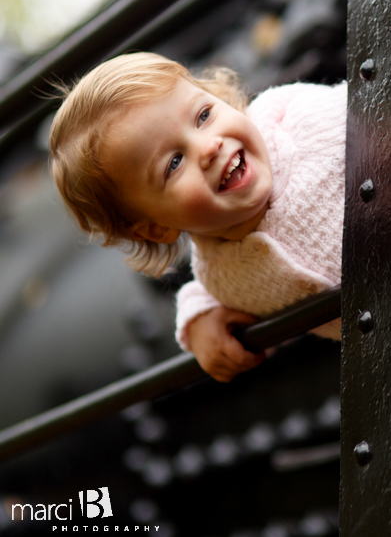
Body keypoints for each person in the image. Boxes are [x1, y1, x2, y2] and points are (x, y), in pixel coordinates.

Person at [49, 52, 345, 382]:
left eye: (203, 116)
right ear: (156, 227)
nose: (208, 147)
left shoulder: (299, 121)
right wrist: (199, 321)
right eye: (174, 163)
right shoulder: (219, 272)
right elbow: (211, 292)